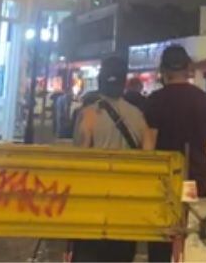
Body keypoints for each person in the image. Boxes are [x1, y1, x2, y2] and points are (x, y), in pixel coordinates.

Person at [142, 45, 206, 263]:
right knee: (192, 240)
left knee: (162, 239)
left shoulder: (156, 101)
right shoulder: (204, 100)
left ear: (163, 69)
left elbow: (148, 145)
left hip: (164, 185)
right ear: (188, 68)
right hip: (194, 182)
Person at [71, 56, 152, 262]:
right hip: (126, 206)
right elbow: (148, 160)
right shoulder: (139, 117)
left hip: (93, 204)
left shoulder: (88, 115)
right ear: (124, 83)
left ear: (100, 81)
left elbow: (78, 160)